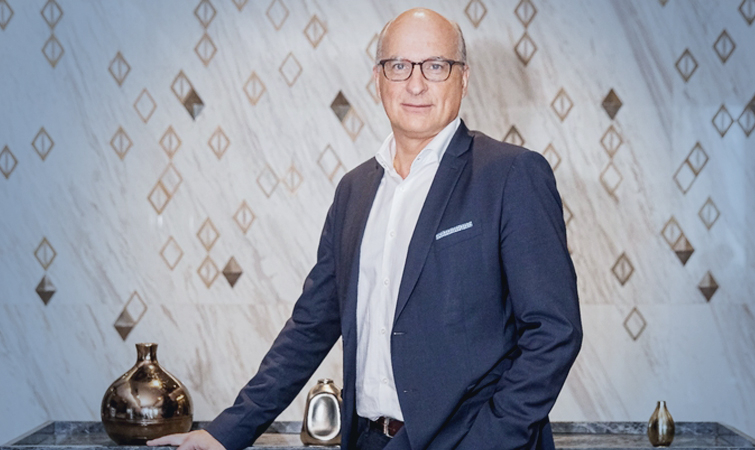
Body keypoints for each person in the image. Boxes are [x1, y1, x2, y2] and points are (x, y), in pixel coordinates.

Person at [148, 7, 581, 450]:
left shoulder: (510, 174)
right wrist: (224, 433)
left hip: (471, 440)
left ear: (463, 78)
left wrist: (489, 439)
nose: (416, 84)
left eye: (435, 66)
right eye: (399, 66)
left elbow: (554, 332)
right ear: (378, 79)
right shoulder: (354, 191)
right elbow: (310, 327)